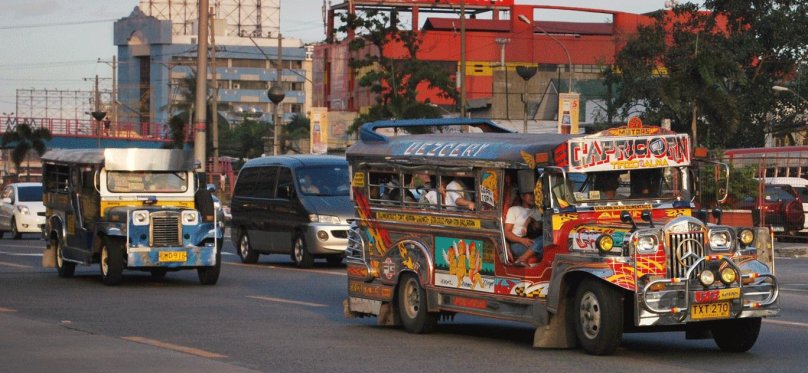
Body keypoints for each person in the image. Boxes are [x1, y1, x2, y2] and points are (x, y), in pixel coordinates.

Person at [504, 190, 543, 266]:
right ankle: (522, 259)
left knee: (547, 240)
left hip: (534, 241)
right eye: (530, 194)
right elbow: (507, 232)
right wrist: (522, 240)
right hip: (518, 244)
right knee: (543, 240)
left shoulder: (537, 211)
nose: (533, 197)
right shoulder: (514, 210)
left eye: (534, 194)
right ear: (522, 196)